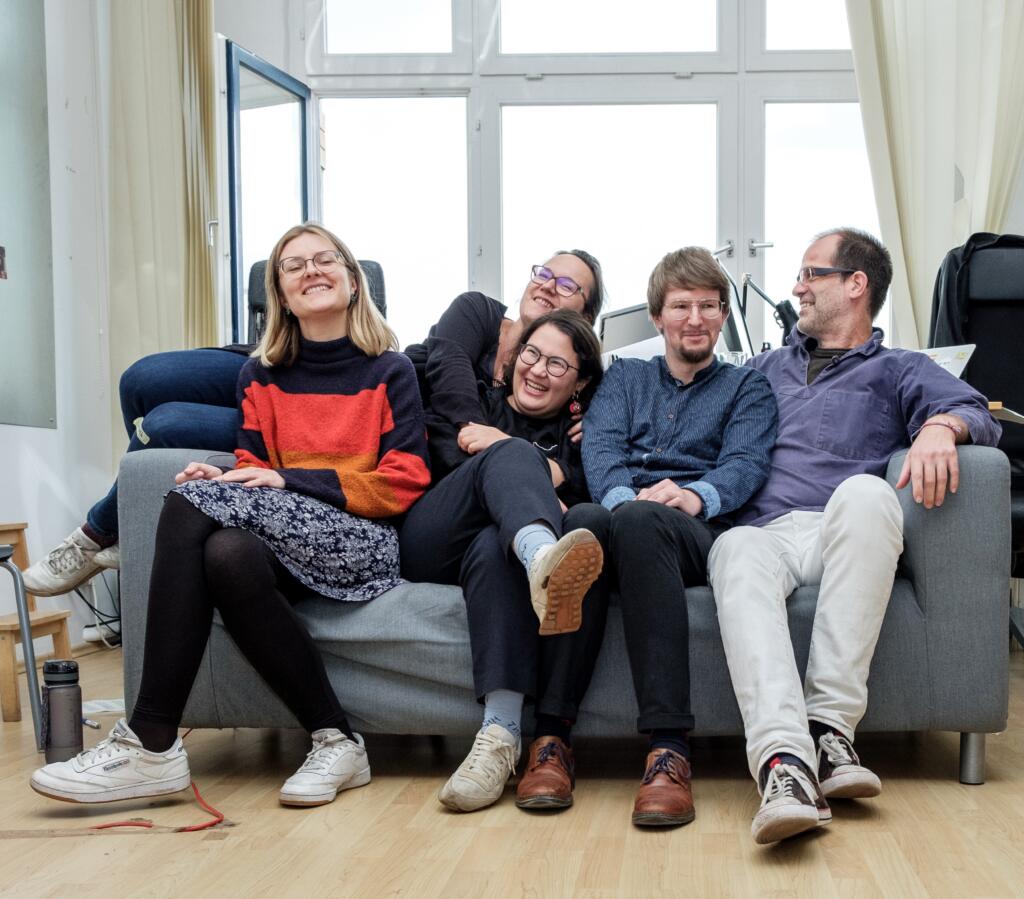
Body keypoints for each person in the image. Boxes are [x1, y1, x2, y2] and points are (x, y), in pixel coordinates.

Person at [29, 224, 431, 807]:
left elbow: (404, 481)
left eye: (325, 259)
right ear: (280, 295)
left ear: (352, 280)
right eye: (293, 266)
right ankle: (337, 739)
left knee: (190, 504)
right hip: (285, 534)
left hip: (363, 541)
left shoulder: (390, 371)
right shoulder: (260, 376)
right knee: (226, 553)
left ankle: (150, 740)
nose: (311, 270)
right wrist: (225, 480)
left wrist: (286, 479)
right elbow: (254, 470)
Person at [21, 251, 604, 597]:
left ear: (584, 317)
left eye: (567, 285)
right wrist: (492, 438)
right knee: (144, 381)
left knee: (167, 423)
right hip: (308, 370)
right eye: (544, 272)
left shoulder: (546, 389)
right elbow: (450, 380)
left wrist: (529, 447)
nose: (547, 286)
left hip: (348, 423)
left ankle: (102, 534)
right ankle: (115, 525)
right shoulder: (478, 313)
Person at [707, 227, 1002, 846]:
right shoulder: (760, 370)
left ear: (855, 285)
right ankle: (784, 764)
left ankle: (829, 731)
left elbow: (977, 410)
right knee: (733, 548)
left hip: (844, 534)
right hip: (762, 535)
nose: (797, 288)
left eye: (810, 274)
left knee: (868, 493)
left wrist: (940, 426)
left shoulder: (900, 368)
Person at [516, 247, 777, 827]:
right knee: (584, 524)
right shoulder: (625, 377)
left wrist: (694, 495)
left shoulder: (748, 388)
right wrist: (623, 504)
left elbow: (745, 465)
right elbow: (603, 453)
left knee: (636, 522)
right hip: (622, 517)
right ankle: (551, 741)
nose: (695, 319)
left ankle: (668, 749)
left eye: (708, 306)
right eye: (681, 306)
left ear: (723, 314)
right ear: (658, 317)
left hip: (695, 531)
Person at [400, 309, 607, 812]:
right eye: (531, 354)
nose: (537, 370)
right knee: (513, 456)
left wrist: (551, 471)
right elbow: (454, 453)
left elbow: (589, 497)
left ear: (579, 382)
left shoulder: (584, 440)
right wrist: (528, 463)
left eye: (557, 365)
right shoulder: (476, 403)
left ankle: (500, 736)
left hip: (489, 556)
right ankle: (543, 559)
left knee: (497, 546)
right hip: (434, 539)